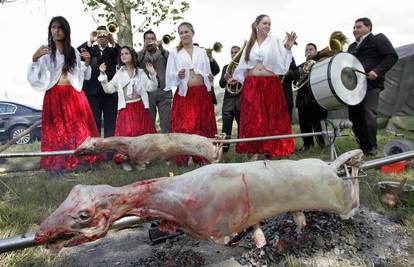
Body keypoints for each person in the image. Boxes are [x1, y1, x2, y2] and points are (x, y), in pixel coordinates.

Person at [27, 16, 103, 171]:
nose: (56, 30)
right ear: (50, 30)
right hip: (55, 95)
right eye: (54, 27)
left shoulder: (73, 52)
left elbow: (81, 75)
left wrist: (87, 63)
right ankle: (59, 164)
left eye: (60, 27)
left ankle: (83, 162)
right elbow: (37, 77)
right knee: (58, 131)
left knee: (79, 129)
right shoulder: (46, 51)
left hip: (74, 94)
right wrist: (34, 59)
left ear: (66, 31)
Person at [229, 14, 296, 158]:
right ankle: (254, 149)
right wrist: (237, 78)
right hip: (252, 84)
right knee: (254, 117)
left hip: (270, 83)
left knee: (272, 115)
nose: (267, 26)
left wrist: (288, 47)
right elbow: (243, 66)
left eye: (269, 24)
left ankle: (272, 149)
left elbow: (283, 63)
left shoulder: (275, 41)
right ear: (256, 25)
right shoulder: (250, 44)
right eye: (265, 23)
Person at [165, 22, 217, 165]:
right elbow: (169, 75)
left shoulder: (201, 52)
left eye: (186, 31)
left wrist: (210, 79)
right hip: (185, 94)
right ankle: (186, 157)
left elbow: (207, 73)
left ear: (192, 33)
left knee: (202, 124)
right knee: (185, 126)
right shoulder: (174, 52)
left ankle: (202, 156)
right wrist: (178, 74)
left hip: (201, 93)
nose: (184, 35)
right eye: (181, 33)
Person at [98, 46, 158, 170]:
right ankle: (126, 160)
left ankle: (141, 160)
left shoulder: (140, 72)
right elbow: (108, 89)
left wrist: (152, 73)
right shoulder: (119, 73)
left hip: (139, 107)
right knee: (126, 135)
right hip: (125, 108)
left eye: (126, 53)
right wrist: (103, 75)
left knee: (140, 135)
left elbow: (152, 87)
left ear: (132, 55)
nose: (123, 56)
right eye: (121, 54)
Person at [348, 17, 398, 156]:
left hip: (371, 85)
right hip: (354, 87)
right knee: (354, 116)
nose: (354, 30)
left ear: (369, 27)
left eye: (358, 27)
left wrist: (377, 71)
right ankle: (362, 146)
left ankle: (372, 146)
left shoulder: (378, 39)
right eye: (353, 27)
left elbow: (392, 56)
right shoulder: (351, 47)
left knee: (368, 114)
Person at [78, 26, 120, 138]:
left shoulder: (113, 51)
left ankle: (109, 153)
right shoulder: (90, 49)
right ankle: (96, 154)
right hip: (93, 93)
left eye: (105, 36)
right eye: (100, 36)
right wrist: (90, 41)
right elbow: (76, 54)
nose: (103, 38)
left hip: (110, 92)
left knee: (110, 124)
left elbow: (124, 55)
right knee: (94, 123)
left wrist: (113, 42)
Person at [295, 43, 328, 151]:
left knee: (319, 123)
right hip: (302, 99)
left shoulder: (320, 64)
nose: (309, 51)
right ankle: (307, 144)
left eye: (311, 49)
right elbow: (295, 82)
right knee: (304, 124)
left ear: (315, 51)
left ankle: (323, 144)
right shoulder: (300, 66)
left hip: (317, 98)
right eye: (307, 49)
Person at [137, 30, 171, 133]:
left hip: (164, 92)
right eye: (148, 39)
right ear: (144, 41)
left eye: (152, 38)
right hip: (147, 93)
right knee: (148, 123)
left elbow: (172, 61)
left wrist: (161, 48)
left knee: (166, 123)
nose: (150, 41)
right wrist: (144, 49)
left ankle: (167, 146)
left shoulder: (164, 53)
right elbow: (135, 64)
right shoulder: (139, 54)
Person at [219, 45, 242, 152]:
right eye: (232, 53)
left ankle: (241, 148)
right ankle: (224, 149)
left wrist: (239, 80)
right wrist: (225, 78)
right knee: (226, 127)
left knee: (242, 127)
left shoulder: (244, 67)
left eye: (236, 52)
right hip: (228, 101)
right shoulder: (226, 67)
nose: (234, 54)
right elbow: (221, 84)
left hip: (241, 101)